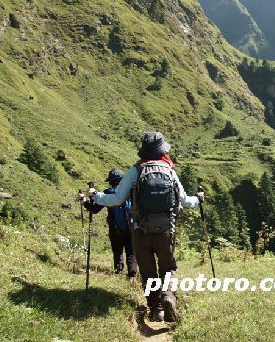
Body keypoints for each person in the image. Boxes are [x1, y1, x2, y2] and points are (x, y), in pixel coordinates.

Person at [83, 131, 203, 323]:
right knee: (168, 268)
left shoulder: (135, 171)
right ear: (162, 150)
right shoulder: (169, 170)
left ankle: (156, 310)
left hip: (140, 231)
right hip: (165, 231)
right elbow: (185, 201)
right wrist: (198, 199)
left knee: (148, 273)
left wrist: (95, 195)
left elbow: (116, 199)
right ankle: (168, 297)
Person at [82, 168, 137, 281]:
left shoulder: (108, 193)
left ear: (111, 182)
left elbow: (94, 209)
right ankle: (132, 275)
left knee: (117, 251)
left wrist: (84, 201)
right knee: (131, 251)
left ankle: (118, 272)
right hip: (132, 227)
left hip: (115, 229)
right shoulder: (131, 191)